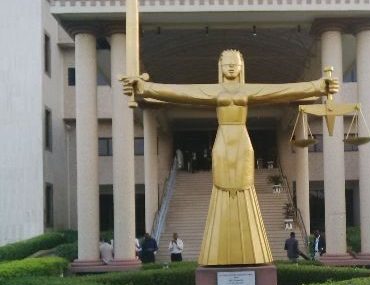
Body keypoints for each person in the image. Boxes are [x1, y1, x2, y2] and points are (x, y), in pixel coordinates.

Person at [122, 50, 338, 265]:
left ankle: (254, 251)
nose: (231, 67)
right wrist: (145, 87)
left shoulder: (248, 90)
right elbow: (179, 92)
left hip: (242, 142)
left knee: (244, 187)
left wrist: (319, 86)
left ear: (242, 67)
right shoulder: (213, 91)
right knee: (221, 186)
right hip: (222, 141)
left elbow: (283, 91)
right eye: (227, 64)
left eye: (235, 64)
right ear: (220, 67)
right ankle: (218, 251)